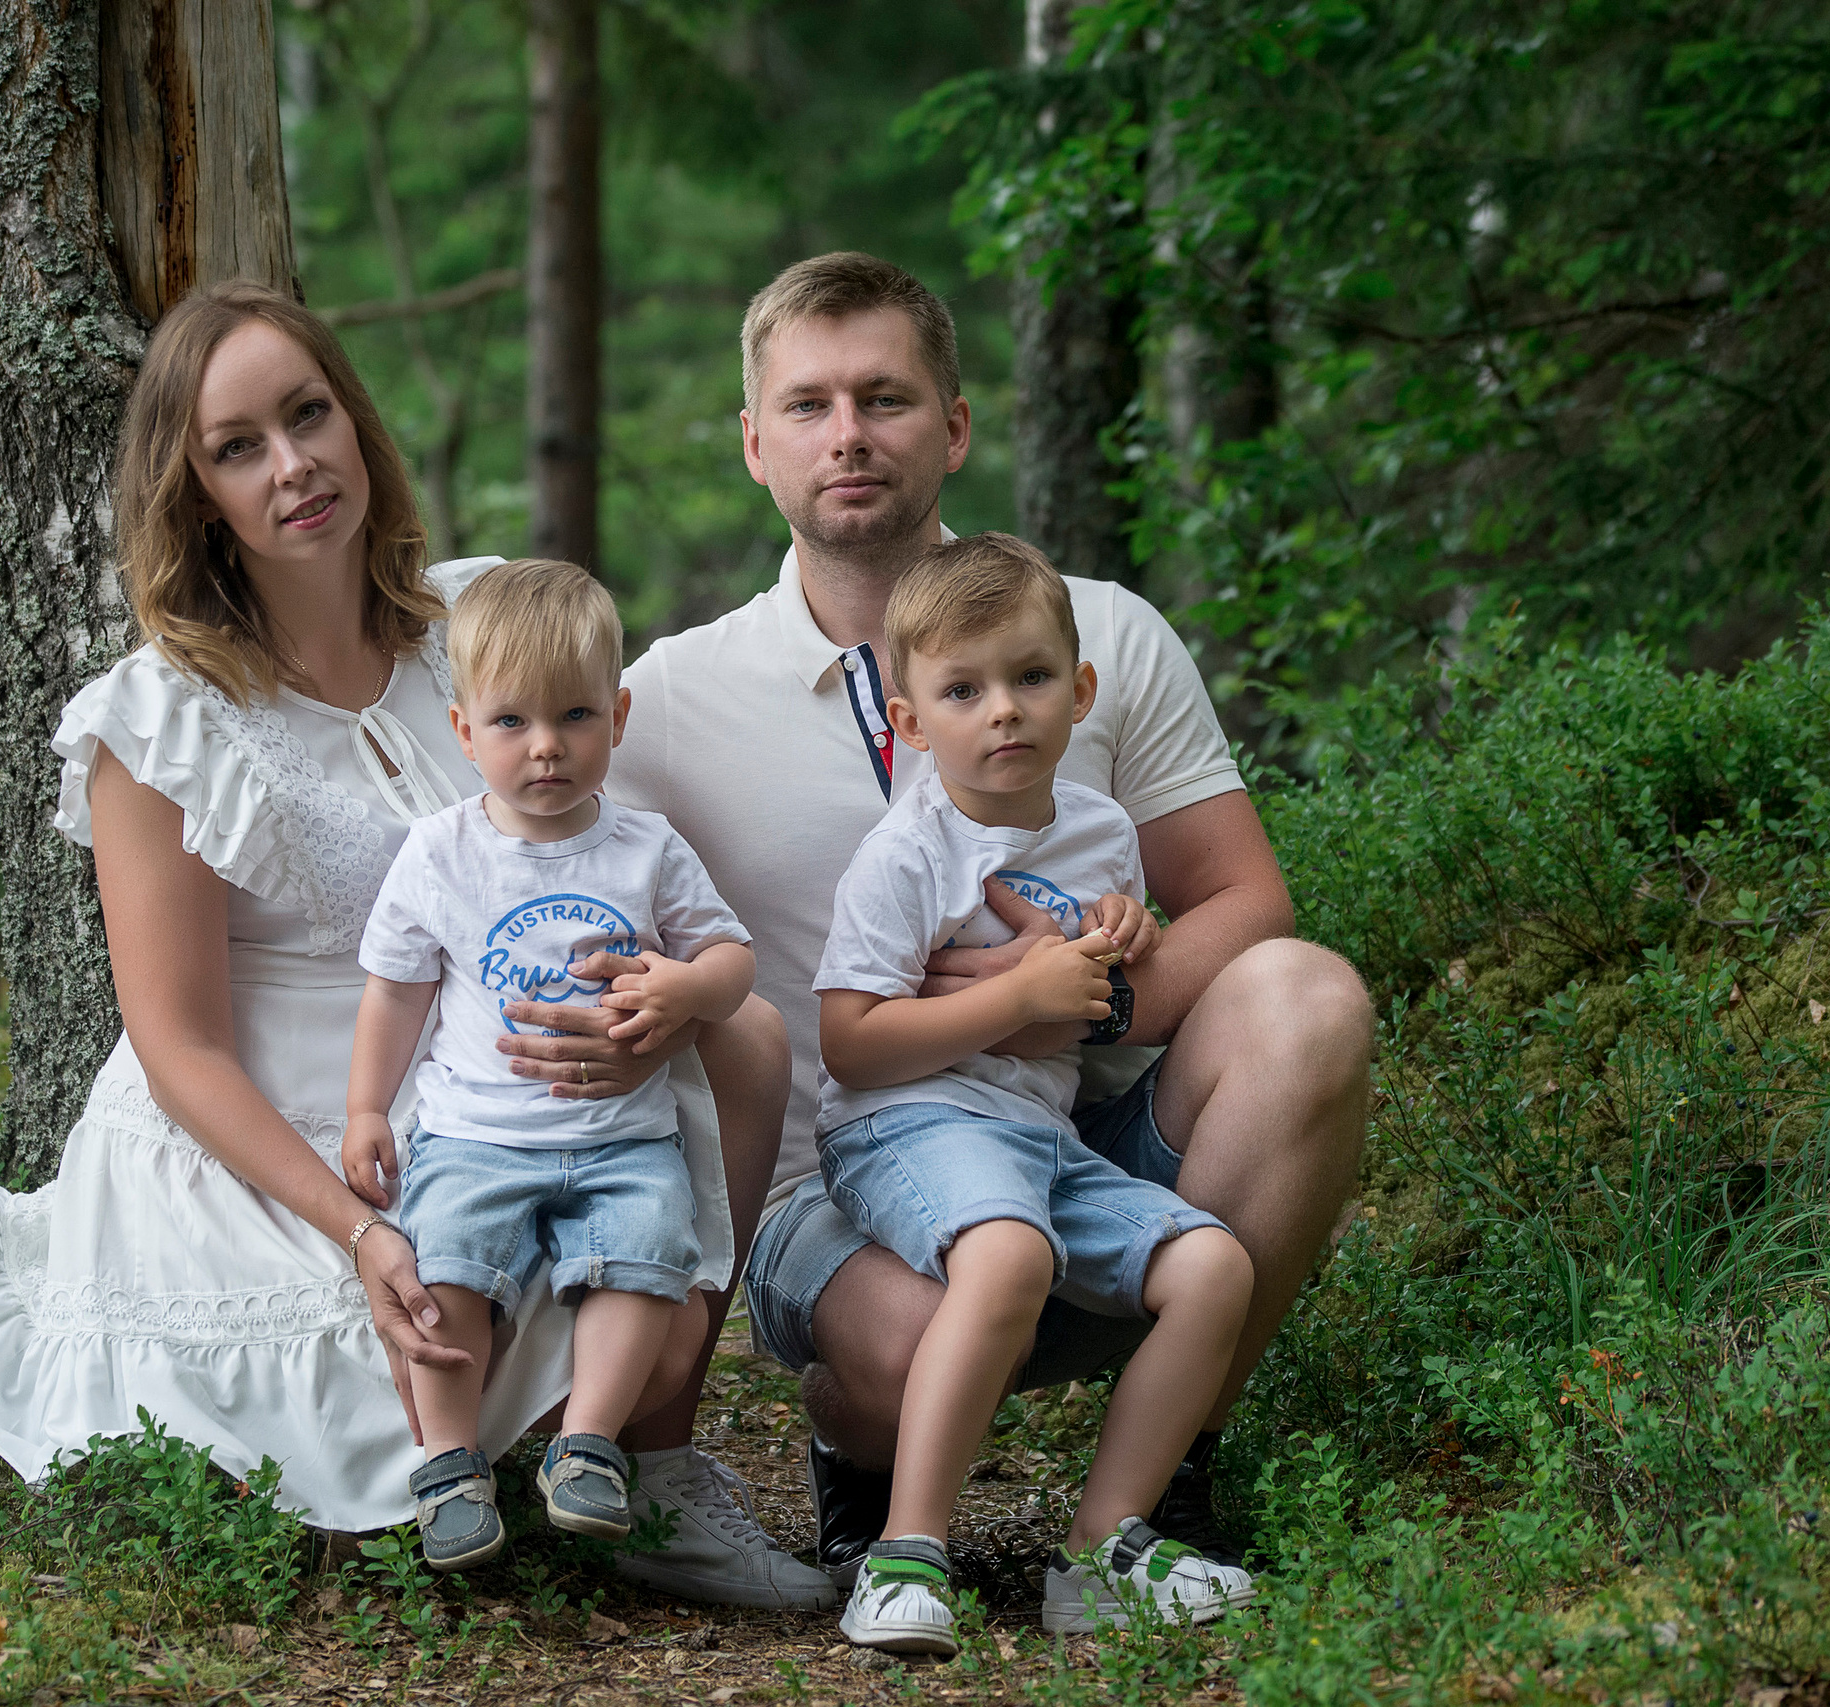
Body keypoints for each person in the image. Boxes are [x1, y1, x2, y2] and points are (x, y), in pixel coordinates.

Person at [478, 250, 1371, 1604]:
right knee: (924, 1338)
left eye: (886, 397)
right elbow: (527, 875)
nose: (849, 434)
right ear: (754, 445)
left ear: (953, 425)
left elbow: (1245, 896)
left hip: (1086, 1127)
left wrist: (1081, 995)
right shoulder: (667, 701)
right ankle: (867, 1460)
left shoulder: (1101, 639)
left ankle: (1152, 1494)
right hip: (841, 1184)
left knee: (1307, 996)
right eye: (810, 404)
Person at [0, 283, 761, 1532]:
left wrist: (655, 1008)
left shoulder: (477, 624)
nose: (293, 466)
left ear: (356, 424)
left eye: (309, 416)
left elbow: (603, 857)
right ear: (194, 494)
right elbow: (176, 1044)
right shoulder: (160, 723)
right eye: (237, 448)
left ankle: (652, 1480)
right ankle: (498, 1437)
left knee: (746, 1042)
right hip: (274, 1136)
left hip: (484, 1072)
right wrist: (356, 1228)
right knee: (380, 1349)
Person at [813, 533, 1259, 1652]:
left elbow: (1098, 964)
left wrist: (1125, 930)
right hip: (906, 1123)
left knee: (1211, 1266)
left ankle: (1101, 1550)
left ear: (1081, 690)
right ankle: (905, 1553)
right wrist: (1016, 997)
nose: (1001, 711)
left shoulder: (1098, 828)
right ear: (912, 721)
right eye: (961, 690)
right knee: (1005, 1251)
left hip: (1039, 1135)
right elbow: (852, 1045)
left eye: (1029, 678)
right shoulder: (905, 855)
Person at [341, 560, 772, 1569]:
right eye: (510, 723)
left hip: (622, 1139)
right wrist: (367, 1107)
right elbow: (396, 987)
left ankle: (587, 1447)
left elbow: (732, 956)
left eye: (575, 715)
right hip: (474, 1137)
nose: (546, 747)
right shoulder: (442, 852)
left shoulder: (646, 849)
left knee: (644, 1261)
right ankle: (448, 1465)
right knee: (442, 1272)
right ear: (464, 733)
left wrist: (687, 989)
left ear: (617, 716)